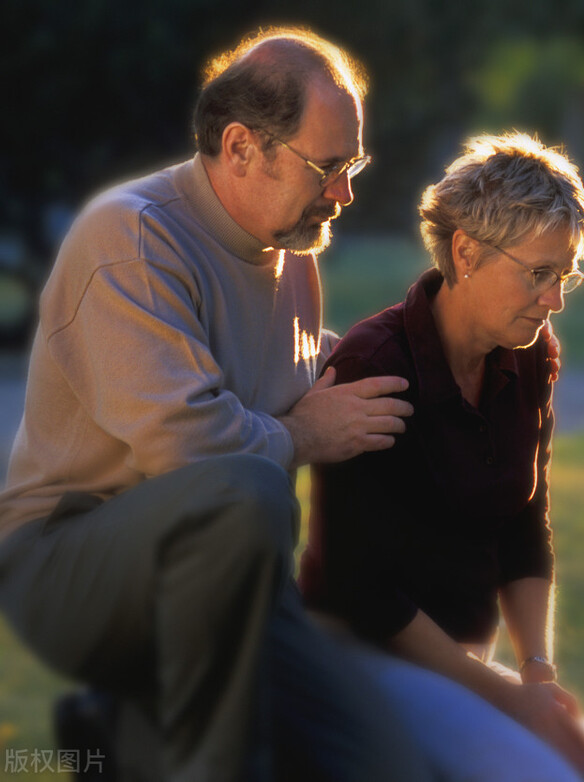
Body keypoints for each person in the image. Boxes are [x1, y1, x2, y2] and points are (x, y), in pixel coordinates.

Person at [0, 27, 432, 781]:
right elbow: (188, 447)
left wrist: (429, 355)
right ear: (240, 148)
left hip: (234, 582)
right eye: (328, 166)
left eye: (353, 164)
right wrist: (302, 438)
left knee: (384, 765)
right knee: (244, 488)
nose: (346, 192)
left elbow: (297, 371)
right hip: (68, 561)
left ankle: (126, 736)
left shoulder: (290, 253)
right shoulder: (131, 237)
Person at [298, 133, 584, 782]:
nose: (555, 300)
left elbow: (525, 524)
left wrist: (538, 676)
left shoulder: (529, 355)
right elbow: (364, 593)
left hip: (465, 665)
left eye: (565, 275)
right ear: (465, 253)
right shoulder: (375, 363)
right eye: (538, 274)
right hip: (359, 656)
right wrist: (510, 702)